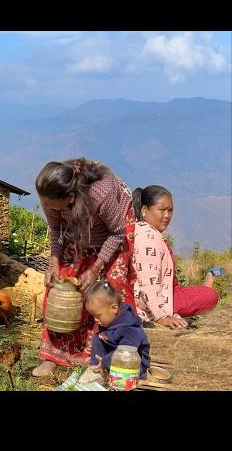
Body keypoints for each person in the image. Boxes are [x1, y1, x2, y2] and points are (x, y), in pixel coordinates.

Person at [32, 158, 136, 377]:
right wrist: (54, 263)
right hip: (76, 229)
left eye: (50, 205)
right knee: (62, 282)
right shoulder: (50, 194)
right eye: (44, 203)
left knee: (108, 290)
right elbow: (55, 229)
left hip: (113, 230)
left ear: (69, 197)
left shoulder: (101, 194)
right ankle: (54, 355)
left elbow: (117, 233)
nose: (46, 207)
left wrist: (95, 268)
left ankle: (105, 357)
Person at [132, 185, 222, 329]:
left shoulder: (147, 232)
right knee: (209, 296)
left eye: (170, 211)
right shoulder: (147, 237)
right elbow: (149, 282)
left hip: (167, 291)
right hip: (151, 299)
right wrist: (161, 316)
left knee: (206, 294)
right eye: (162, 210)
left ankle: (207, 283)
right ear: (144, 210)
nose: (167, 215)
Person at [82, 280, 150, 382]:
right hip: (113, 359)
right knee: (99, 336)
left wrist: (105, 361)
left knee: (122, 380)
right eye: (93, 316)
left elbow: (125, 353)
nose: (96, 320)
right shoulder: (112, 320)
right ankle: (96, 368)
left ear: (114, 308)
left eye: (98, 315)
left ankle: (104, 369)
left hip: (133, 365)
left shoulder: (129, 329)